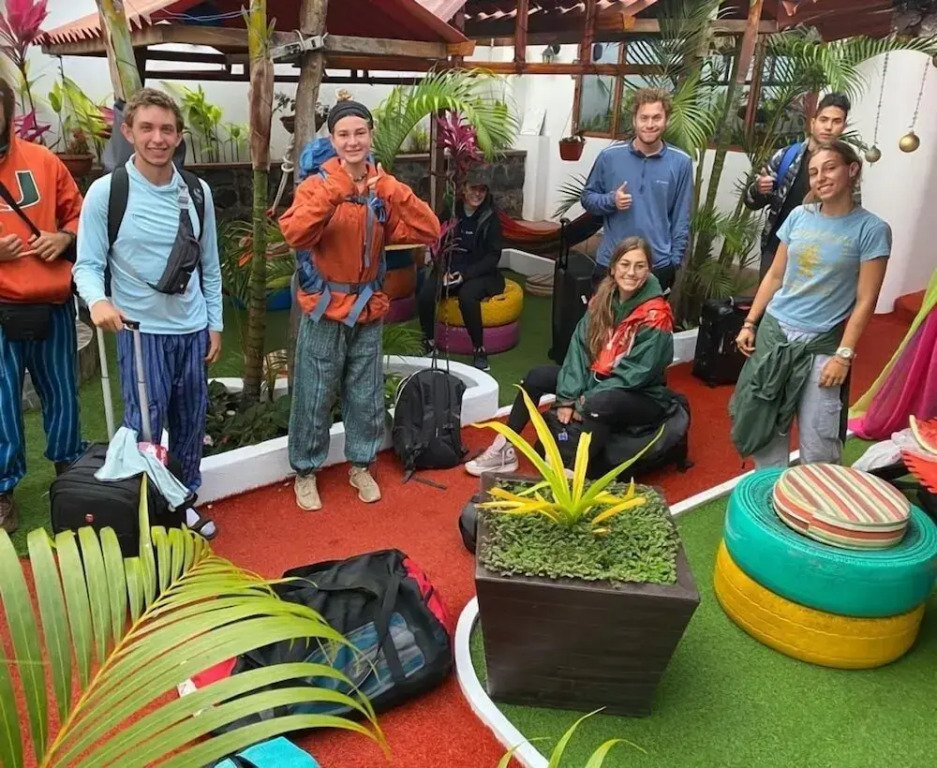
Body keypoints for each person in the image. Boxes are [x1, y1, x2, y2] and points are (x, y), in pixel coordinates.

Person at [74, 87, 222, 538]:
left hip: (192, 330)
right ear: (128, 132)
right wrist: (98, 301)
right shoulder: (108, 192)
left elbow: (210, 265)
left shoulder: (197, 192)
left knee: (191, 423)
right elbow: (87, 265)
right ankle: (145, 511)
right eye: (147, 128)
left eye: (167, 130)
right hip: (140, 333)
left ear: (179, 136)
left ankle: (185, 502)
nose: (158, 138)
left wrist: (214, 324)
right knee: (144, 427)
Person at [279, 96, 440, 512]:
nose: (352, 141)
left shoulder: (382, 191)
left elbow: (429, 229)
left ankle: (361, 465)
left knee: (365, 394)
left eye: (360, 133)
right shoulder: (315, 186)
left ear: (370, 135)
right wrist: (334, 193)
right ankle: (306, 471)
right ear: (333, 140)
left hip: (368, 309)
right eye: (343, 134)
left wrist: (392, 190)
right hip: (325, 309)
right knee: (315, 393)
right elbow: (295, 234)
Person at [730, 140, 891, 468]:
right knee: (764, 428)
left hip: (821, 343)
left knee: (820, 440)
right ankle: (768, 492)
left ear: (852, 170)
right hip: (775, 332)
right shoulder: (798, 217)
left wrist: (843, 355)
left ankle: (816, 498)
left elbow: (866, 300)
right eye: (814, 172)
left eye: (830, 168)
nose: (821, 178)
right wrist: (750, 323)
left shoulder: (872, 229)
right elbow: (775, 276)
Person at [467, 236, 674, 476]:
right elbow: (579, 350)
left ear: (648, 271)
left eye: (640, 266)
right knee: (535, 377)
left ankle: (572, 474)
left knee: (600, 402)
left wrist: (582, 401)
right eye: (625, 264)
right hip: (597, 381)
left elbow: (636, 374)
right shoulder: (602, 300)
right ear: (613, 268)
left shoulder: (656, 315)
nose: (631, 272)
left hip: (642, 395)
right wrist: (567, 397)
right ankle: (504, 448)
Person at [0, 76, 85, 533]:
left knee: (63, 393)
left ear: (7, 109)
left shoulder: (44, 161)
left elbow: (80, 212)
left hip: (52, 302)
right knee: (0, 400)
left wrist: (65, 238)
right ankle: (3, 488)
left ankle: (69, 472)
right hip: (0, 306)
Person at [580, 88, 693, 294]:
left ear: (667, 121)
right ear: (634, 120)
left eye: (656, 118)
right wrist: (611, 200)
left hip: (656, 267)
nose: (650, 124)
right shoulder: (609, 156)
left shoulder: (681, 162)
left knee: (650, 317)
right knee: (602, 316)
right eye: (644, 118)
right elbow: (587, 198)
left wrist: (673, 262)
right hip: (612, 263)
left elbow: (681, 218)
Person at [744, 92, 852, 279]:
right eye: (824, 120)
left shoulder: (846, 168)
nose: (828, 127)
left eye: (836, 121)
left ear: (844, 127)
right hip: (776, 248)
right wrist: (759, 189)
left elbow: (850, 216)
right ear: (813, 122)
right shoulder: (787, 156)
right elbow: (751, 201)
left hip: (818, 257)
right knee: (767, 296)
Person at [417, 164, 504, 371]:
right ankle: (429, 341)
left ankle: (479, 349)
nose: (477, 194)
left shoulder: (490, 218)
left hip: (481, 274)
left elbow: (493, 257)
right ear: (463, 188)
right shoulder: (451, 212)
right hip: (450, 270)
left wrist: (465, 275)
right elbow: (438, 243)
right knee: (426, 294)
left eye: (482, 189)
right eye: (473, 188)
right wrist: (442, 270)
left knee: (467, 296)